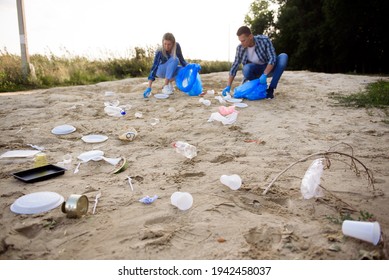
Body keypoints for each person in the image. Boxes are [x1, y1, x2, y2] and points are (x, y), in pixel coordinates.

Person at [222, 26, 288, 99]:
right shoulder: (240, 48)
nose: (242, 43)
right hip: (256, 71)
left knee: (283, 57)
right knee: (246, 68)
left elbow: (272, 58)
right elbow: (235, 66)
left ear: (250, 36)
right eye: (240, 41)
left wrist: (265, 74)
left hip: (269, 68)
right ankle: (258, 87)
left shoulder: (264, 40)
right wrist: (228, 86)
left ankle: (271, 89)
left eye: (244, 40)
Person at [143, 33, 188, 98]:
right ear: (162, 43)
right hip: (160, 71)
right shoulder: (160, 51)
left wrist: (191, 67)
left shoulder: (177, 46)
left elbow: (182, 61)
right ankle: (165, 86)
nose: (167, 46)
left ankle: (169, 84)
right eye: (165, 44)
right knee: (175, 59)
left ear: (173, 43)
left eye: (169, 44)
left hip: (170, 69)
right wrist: (149, 87)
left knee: (183, 69)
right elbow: (154, 68)